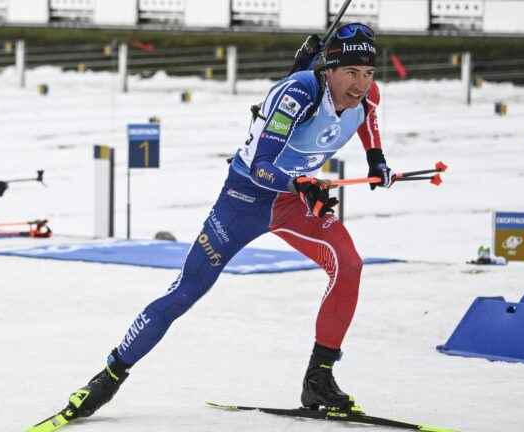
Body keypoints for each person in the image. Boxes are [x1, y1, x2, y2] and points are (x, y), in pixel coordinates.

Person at [32, 23, 394, 429]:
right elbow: (260, 167)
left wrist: (376, 159)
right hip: (244, 201)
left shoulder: (367, 95)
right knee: (186, 291)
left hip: (295, 201)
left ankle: (319, 380)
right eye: (351, 73)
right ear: (328, 69)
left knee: (349, 265)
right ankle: (109, 376)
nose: (360, 84)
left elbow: (368, 119)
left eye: (368, 73)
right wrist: (300, 183)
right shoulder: (296, 94)